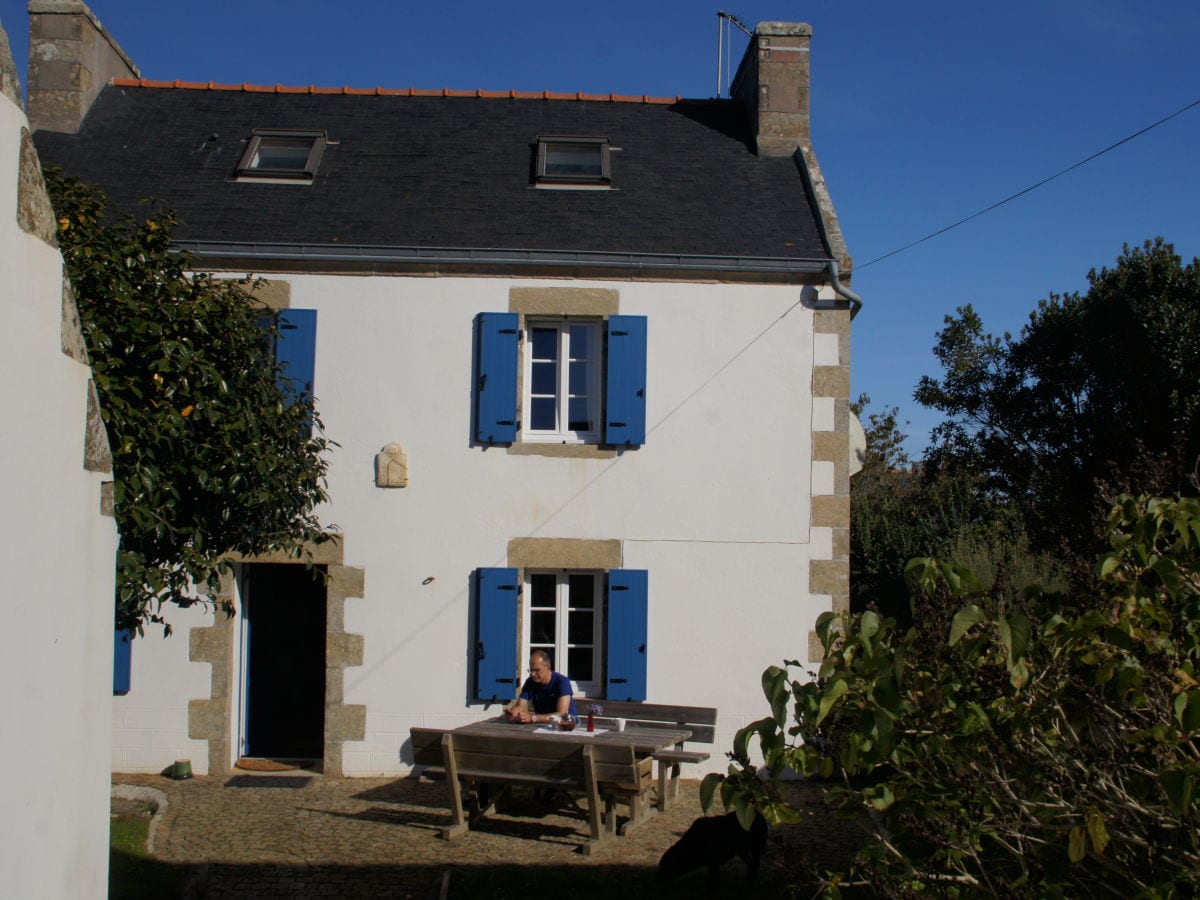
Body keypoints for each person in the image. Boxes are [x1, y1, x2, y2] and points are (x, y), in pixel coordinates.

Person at [504, 650, 578, 724]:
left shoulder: (562, 681)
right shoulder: (530, 682)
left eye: (536, 670)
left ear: (548, 667)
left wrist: (533, 718)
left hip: (567, 726)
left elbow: (561, 714)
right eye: (531, 670)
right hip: (542, 726)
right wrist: (512, 713)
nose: (533, 674)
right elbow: (520, 706)